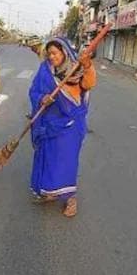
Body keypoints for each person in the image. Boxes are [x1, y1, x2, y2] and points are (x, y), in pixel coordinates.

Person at [29, 37, 96, 218]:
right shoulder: (45, 70)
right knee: (48, 158)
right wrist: (43, 98)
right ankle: (50, 191)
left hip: (70, 125)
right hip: (49, 123)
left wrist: (88, 66)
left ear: (64, 52)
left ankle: (70, 199)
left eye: (55, 53)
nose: (51, 57)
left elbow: (89, 84)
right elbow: (33, 90)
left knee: (66, 162)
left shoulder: (77, 68)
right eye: (49, 54)